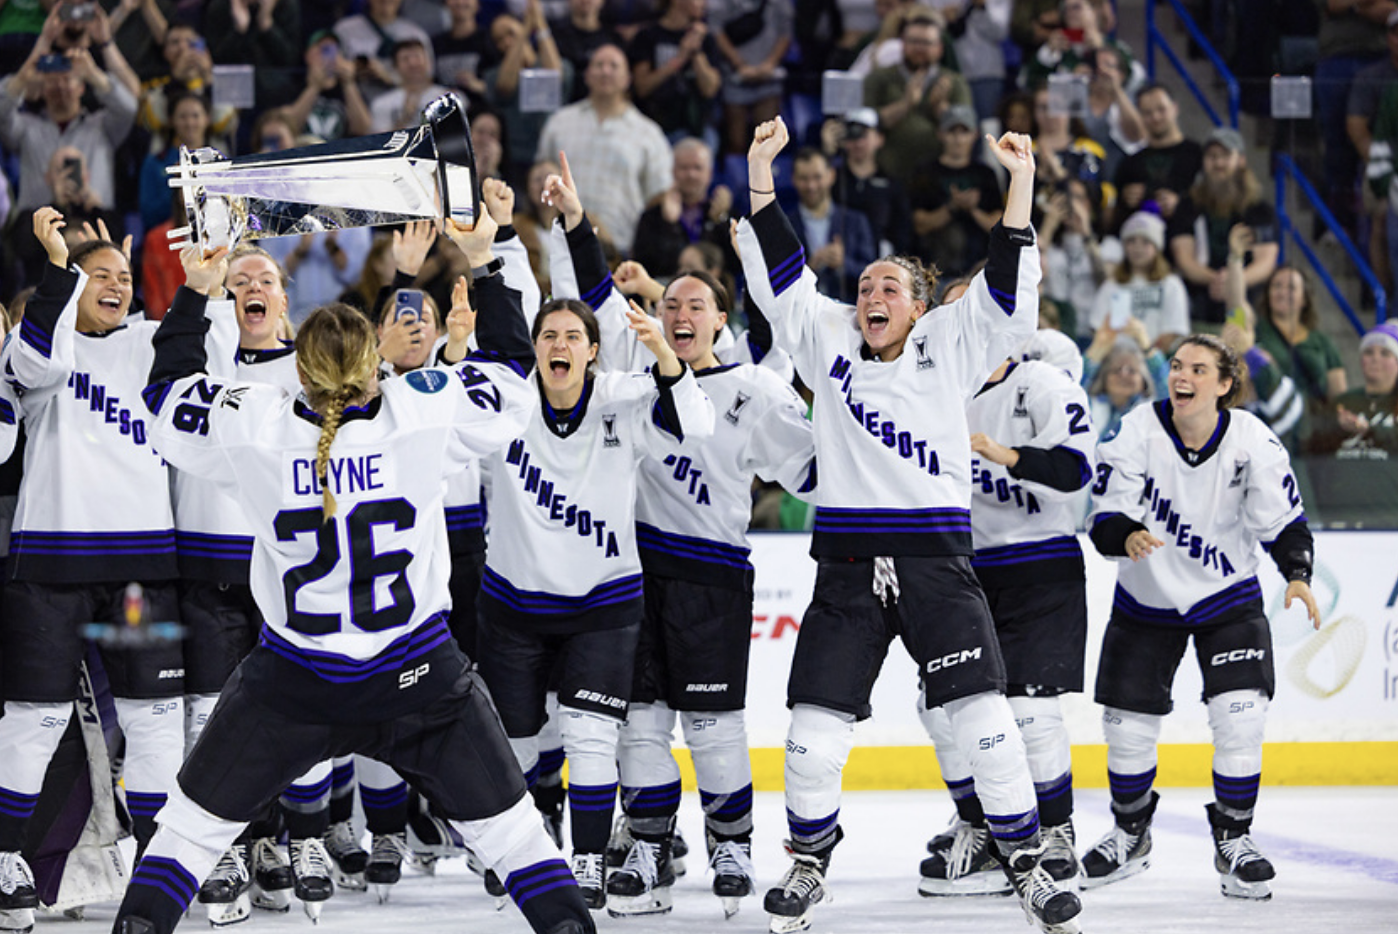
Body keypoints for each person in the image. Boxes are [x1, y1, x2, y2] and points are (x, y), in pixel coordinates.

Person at [109, 208, 598, 934]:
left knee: (186, 837)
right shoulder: (421, 409)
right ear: (374, 365)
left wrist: (195, 291)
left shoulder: (259, 422)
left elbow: (166, 402)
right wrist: (487, 262)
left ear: (299, 371)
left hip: (294, 681)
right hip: (418, 677)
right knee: (518, 840)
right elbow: (511, 380)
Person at [740, 116, 1083, 934]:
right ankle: (808, 865)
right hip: (849, 565)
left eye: (889, 287)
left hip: (936, 562)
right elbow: (782, 274)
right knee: (813, 732)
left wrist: (1020, 182)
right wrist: (761, 175)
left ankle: (1027, 866)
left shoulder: (951, 343)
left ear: (922, 306)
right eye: (862, 287)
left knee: (986, 723)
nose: (871, 296)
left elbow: (1006, 282)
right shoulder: (826, 337)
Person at [545, 161, 814, 918]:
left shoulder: (755, 391)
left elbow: (817, 473)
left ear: (721, 322)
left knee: (715, 727)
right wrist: (573, 217)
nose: (680, 312)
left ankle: (731, 842)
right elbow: (596, 297)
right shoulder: (635, 363)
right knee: (638, 724)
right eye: (670, 304)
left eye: (695, 304)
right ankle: (651, 841)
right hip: (635, 573)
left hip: (712, 575)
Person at [473, 184, 716, 908]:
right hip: (512, 600)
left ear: (592, 352)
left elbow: (696, 425)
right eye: (548, 335)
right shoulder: (507, 402)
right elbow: (496, 327)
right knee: (515, 746)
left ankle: (583, 862)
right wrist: (491, 254)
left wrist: (666, 363)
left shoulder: (622, 398)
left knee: (588, 738)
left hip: (604, 604)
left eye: (573, 336)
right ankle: (523, 847)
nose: (558, 345)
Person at [0, 209, 232, 933]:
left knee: (156, 722)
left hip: (140, 568)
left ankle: (158, 869)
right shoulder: (43, 343)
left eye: (125, 278)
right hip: (51, 564)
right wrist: (60, 272)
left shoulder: (150, 346)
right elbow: (35, 366)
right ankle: (6, 861)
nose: (117, 286)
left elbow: (206, 362)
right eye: (100, 275)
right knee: (31, 722)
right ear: (69, 284)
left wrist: (199, 288)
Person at [1083, 333, 1321, 900]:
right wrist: (1128, 533)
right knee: (1126, 730)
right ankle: (1130, 833)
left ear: (1224, 384)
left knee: (1241, 718)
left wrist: (1297, 574)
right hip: (1147, 599)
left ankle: (1234, 841)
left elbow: (1283, 523)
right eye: (1176, 366)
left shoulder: (1252, 441)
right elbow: (1103, 517)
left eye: (1196, 368)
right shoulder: (1137, 430)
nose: (1180, 376)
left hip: (1227, 600)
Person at [918, 322, 1095, 897]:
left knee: (1031, 712)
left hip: (1041, 565)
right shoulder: (929, 390)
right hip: (962, 569)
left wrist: (1006, 454)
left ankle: (1056, 832)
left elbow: (1075, 472)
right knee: (941, 709)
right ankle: (983, 826)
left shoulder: (1042, 383)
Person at [534, 44, 673, 255]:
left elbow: (659, 194)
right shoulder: (559, 122)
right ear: (587, 76)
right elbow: (542, 177)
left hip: (618, 246)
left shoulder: (648, 133)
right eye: (598, 65)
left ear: (628, 79)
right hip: (561, 243)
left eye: (614, 66)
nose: (605, 71)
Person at [1167, 127, 1278, 328]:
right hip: (1199, 304)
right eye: (1212, 156)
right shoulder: (1188, 205)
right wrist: (1216, 281)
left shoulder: (1259, 209)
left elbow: (1266, 261)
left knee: (1240, 346)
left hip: (1247, 302)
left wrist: (1233, 283)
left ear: (1241, 160)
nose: (1218, 163)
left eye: (1225, 156)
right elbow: (1183, 256)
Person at [863, 14, 974, 188]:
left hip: (938, 177)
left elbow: (966, 128)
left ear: (939, 48)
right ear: (902, 44)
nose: (919, 48)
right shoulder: (879, 77)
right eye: (913, 41)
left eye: (926, 43)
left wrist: (941, 108)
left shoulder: (954, 82)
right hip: (887, 171)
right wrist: (905, 104)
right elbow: (867, 122)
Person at [909, 104, 1003, 279]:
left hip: (980, 270)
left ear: (974, 135)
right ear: (941, 134)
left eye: (964, 132)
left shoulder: (986, 174)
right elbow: (918, 224)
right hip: (934, 271)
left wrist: (973, 210)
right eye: (952, 132)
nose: (958, 139)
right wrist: (952, 207)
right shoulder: (925, 172)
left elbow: (999, 226)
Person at [631, 137, 734, 279]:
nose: (691, 174)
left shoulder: (723, 213)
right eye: (684, 168)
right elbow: (648, 266)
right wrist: (669, 225)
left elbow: (734, 265)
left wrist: (722, 220)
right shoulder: (652, 216)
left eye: (697, 167)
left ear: (710, 174)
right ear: (672, 172)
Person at [786, 147, 877, 304]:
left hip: (849, 312)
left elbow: (874, 275)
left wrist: (844, 263)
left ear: (831, 175)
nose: (811, 186)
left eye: (817, 177)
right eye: (804, 178)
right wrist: (809, 268)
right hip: (801, 314)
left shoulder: (856, 221)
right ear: (793, 179)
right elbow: (778, 282)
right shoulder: (785, 226)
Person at [1088, 210, 1189, 352]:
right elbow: (1097, 328)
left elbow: (1173, 332)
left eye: (1145, 242)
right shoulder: (1111, 285)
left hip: (1157, 362)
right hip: (1115, 362)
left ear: (1157, 247)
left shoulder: (1171, 285)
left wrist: (1148, 355)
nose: (1137, 247)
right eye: (1131, 241)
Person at [1110, 83, 1202, 233]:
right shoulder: (1129, 163)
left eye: (1161, 109)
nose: (1155, 117)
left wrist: (1181, 204)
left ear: (1175, 108)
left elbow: (1210, 201)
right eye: (1147, 112)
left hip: (1186, 239)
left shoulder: (1197, 155)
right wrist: (1125, 199)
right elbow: (1115, 214)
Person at [1309, 321, 1398, 458]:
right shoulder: (1344, 401)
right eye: (1368, 352)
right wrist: (1337, 427)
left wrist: (1369, 430)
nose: (1375, 358)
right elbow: (1314, 448)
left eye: (1385, 353)